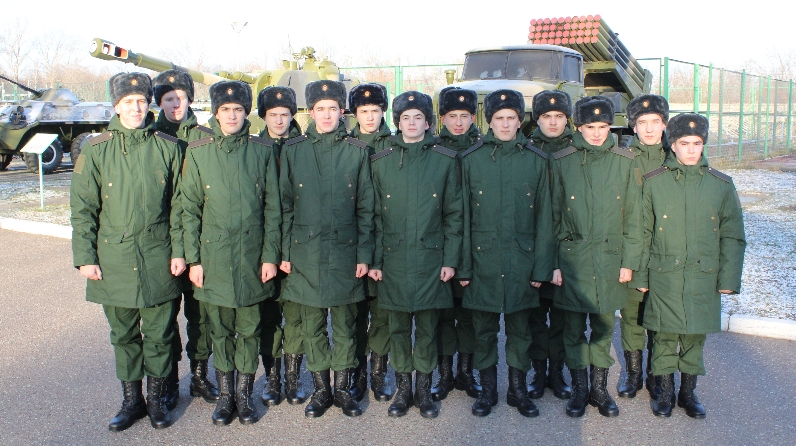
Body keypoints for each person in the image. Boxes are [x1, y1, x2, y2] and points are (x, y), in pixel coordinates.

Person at [71, 72, 183, 430]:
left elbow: (180, 207)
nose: (136, 108)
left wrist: (180, 252)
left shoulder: (168, 147)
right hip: (114, 258)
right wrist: (85, 258)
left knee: (160, 334)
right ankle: (132, 401)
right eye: (128, 102)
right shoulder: (95, 149)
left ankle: (157, 400)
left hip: (158, 256)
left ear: (149, 104)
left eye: (141, 101)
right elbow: (83, 209)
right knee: (123, 335)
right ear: (116, 106)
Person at [181, 80, 281, 425]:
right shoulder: (198, 152)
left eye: (238, 109)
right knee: (220, 330)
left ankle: (244, 395)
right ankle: (225, 397)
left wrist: (270, 256)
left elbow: (273, 208)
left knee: (250, 330)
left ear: (247, 113)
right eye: (225, 110)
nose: (232, 116)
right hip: (214, 259)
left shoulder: (262, 150)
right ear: (216, 113)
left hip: (252, 257)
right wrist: (194, 260)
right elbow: (189, 210)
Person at [639, 113, 745, 418]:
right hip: (665, 275)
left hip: (702, 276)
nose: (690, 150)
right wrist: (642, 276)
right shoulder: (655, 182)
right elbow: (643, 232)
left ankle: (688, 392)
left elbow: (733, 235)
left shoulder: (720, 185)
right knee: (663, 335)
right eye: (684, 143)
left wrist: (728, 278)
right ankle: (665, 392)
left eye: (697, 143)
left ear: (703, 145)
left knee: (694, 336)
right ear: (672, 145)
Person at [279, 79, 374, 418]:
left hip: (345, 253)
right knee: (312, 325)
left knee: (346, 325)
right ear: (310, 112)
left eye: (333, 108)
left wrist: (364, 255)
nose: (327, 115)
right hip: (304, 253)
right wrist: (284, 254)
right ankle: (321, 390)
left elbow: (366, 208)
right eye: (320, 109)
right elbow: (284, 206)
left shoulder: (357, 151)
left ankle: (343, 389)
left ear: (342, 111)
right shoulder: (293, 150)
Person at [459, 89, 554, 417]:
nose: (504, 124)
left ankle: (518, 390)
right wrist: (463, 267)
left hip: (521, 262)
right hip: (482, 261)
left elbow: (545, 219)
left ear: (520, 120)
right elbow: (461, 218)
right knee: (483, 331)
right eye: (498, 118)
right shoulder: (471, 159)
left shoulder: (536, 160)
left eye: (511, 118)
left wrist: (541, 268)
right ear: (489, 120)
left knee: (520, 332)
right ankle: (487, 391)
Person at [368, 91, 462, 418]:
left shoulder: (445, 160)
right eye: (405, 118)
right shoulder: (381, 161)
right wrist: (375, 260)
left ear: (428, 122)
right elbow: (373, 217)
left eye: (418, 117)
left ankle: (423, 390)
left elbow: (454, 215)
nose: (411, 123)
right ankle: (403, 390)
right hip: (392, 260)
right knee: (397, 329)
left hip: (430, 261)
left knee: (427, 329)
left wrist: (450, 260)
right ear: (397, 122)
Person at [550, 96, 642, 418]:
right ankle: (579, 390)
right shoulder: (562, 161)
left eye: (603, 126)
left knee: (603, 327)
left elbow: (634, 218)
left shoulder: (625, 162)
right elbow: (552, 216)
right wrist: (554, 264)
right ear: (578, 127)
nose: (597, 133)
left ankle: (599, 389)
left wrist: (629, 262)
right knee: (573, 329)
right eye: (590, 126)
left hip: (610, 260)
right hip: (573, 260)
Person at [152, 69, 220, 409]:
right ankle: (166, 380)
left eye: (181, 97)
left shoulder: (206, 136)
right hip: (161, 240)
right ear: (159, 102)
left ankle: (199, 374)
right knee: (163, 319)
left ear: (191, 99)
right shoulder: (150, 137)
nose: (176, 104)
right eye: (168, 98)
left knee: (200, 314)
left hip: (199, 238)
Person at [254, 86, 307, 407]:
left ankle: (293, 378)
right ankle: (273, 378)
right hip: (264, 247)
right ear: (264, 116)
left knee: (297, 316)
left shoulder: (304, 147)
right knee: (269, 316)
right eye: (272, 115)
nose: (278, 121)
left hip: (298, 245)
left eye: (284, 114)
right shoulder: (254, 148)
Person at [617, 94, 670, 400]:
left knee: (662, 318)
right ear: (633, 127)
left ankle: (657, 375)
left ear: (664, 125)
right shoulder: (623, 159)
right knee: (632, 316)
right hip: (632, 252)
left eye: (655, 122)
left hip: (666, 253)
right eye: (642, 122)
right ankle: (634, 374)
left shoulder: (676, 158)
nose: (649, 129)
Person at [431, 86, 482, 401]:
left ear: (473, 117)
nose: (459, 122)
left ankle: (466, 372)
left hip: (474, 245)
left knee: (469, 314)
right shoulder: (433, 149)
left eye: (464, 116)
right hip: (440, 246)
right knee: (442, 315)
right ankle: (445, 374)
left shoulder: (482, 149)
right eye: (452, 116)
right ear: (442, 118)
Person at [525, 89, 574, 401]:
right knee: (535, 318)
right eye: (546, 116)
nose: (553, 122)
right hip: (533, 246)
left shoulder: (576, 150)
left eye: (559, 116)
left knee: (561, 319)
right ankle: (538, 371)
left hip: (568, 247)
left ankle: (557, 372)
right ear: (537, 119)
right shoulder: (527, 149)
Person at [347, 83, 393, 403]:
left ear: (383, 112)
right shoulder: (346, 145)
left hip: (386, 238)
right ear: (355, 113)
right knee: (354, 313)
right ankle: (357, 374)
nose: (370, 117)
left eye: (375, 111)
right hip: (353, 240)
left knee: (382, 313)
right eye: (363, 111)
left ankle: (378, 373)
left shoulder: (393, 144)